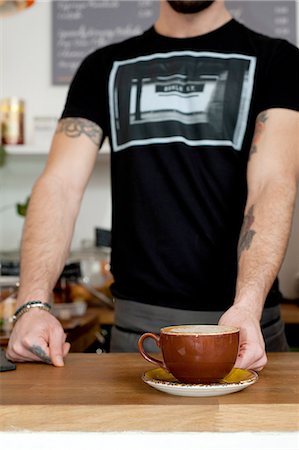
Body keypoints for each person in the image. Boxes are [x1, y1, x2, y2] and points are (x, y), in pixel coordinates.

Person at [6, 0, 299, 371]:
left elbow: (273, 182)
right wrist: (32, 304)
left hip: (249, 329)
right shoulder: (103, 67)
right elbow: (59, 184)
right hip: (142, 336)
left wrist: (247, 305)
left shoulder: (279, 60)